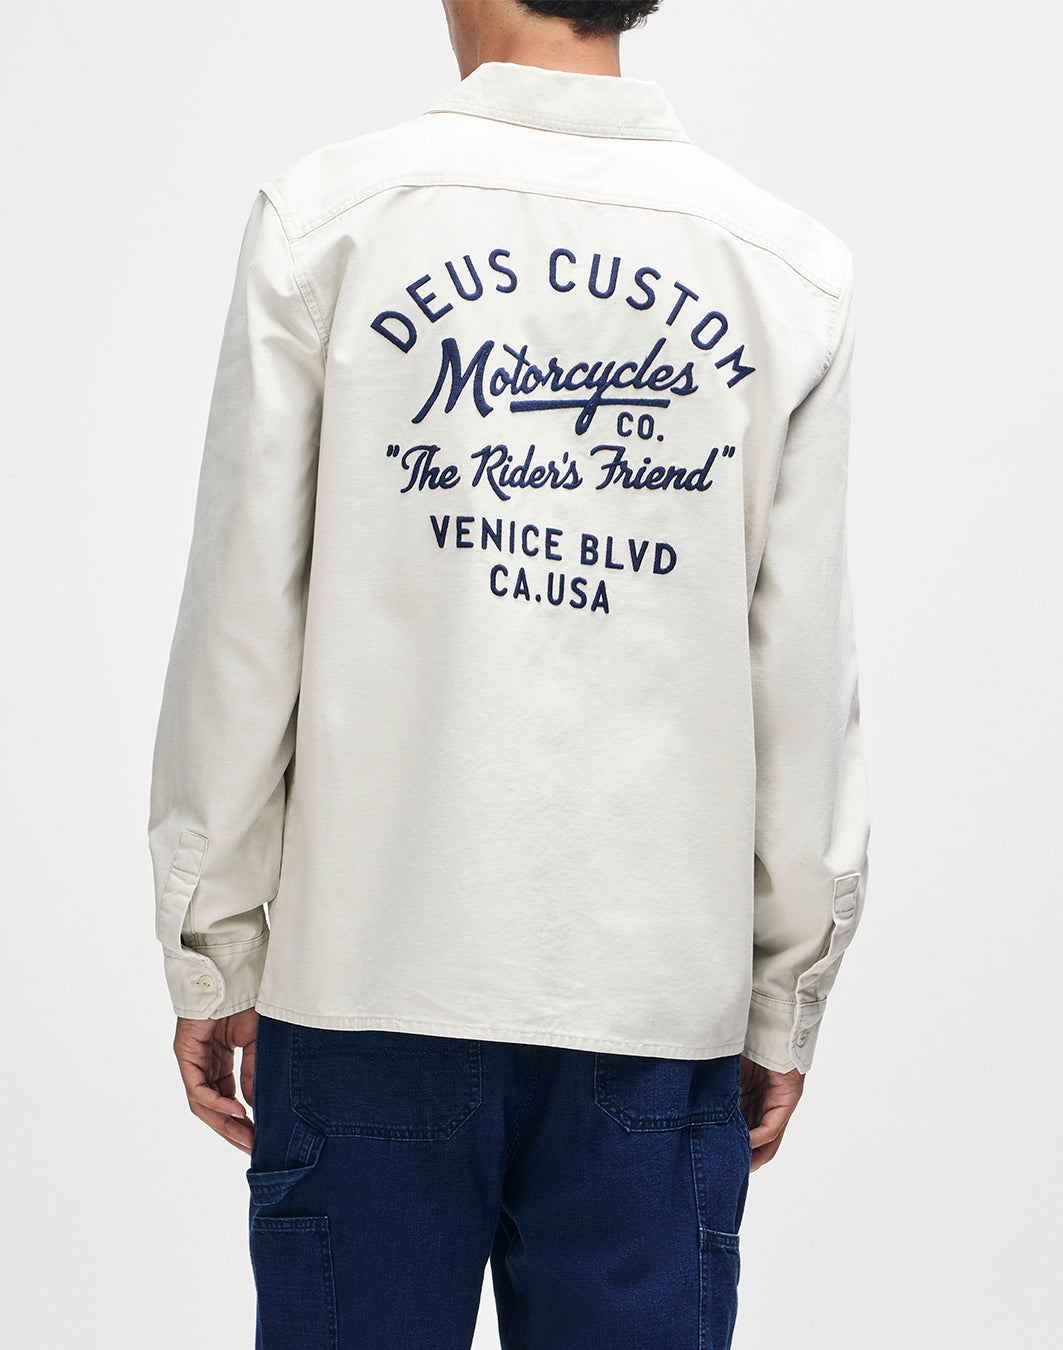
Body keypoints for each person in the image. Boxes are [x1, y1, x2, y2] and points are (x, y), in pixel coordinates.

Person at [147, 1, 871, 1345]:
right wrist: (786, 994)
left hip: (367, 974)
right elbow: (802, 680)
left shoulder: (331, 222)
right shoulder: (784, 271)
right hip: (653, 1001)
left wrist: (213, 941)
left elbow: (245, 625)